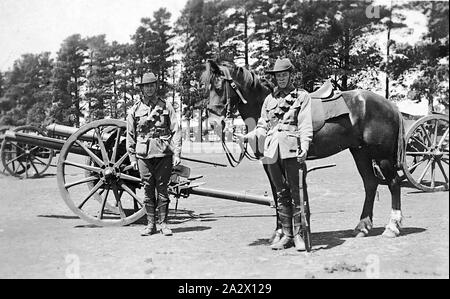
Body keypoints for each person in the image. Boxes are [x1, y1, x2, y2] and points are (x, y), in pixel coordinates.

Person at [239, 58, 313, 250]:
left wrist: (304, 146)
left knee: (297, 192)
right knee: (281, 193)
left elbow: (305, 125)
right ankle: (287, 234)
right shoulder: (269, 100)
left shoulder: (301, 97)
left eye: (284, 75)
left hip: (291, 149)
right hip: (271, 151)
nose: (281, 79)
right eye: (278, 76)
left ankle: (299, 235)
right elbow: (263, 126)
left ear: (290, 75)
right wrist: (248, 136)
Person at [126, 72, 182, 237]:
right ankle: (151, 225)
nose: (149, 88)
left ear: (156, 87)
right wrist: (132, 157)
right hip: (143, 155)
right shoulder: (135, 110)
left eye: (152, 85)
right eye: (146, 86)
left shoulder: (165, 106)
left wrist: (177, 152)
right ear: (142, 89)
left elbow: (176, 130)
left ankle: (164, 224)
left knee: (163, 190)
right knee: (148, 190)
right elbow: (130, 135)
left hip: (163, 153)